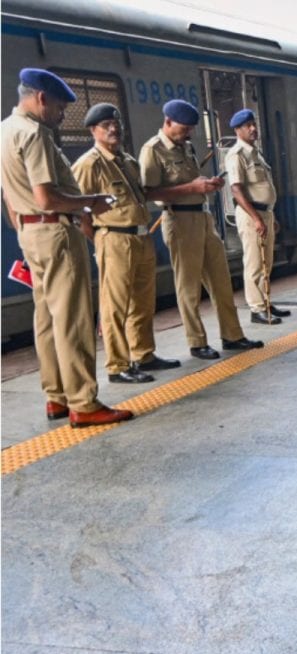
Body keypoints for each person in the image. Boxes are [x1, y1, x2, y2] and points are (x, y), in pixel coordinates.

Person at [1, 68, 133, 427]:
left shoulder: (4, 130)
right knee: (73, 319)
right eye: (60, 107)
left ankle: (56, 397)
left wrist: (25, 229)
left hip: (30, 234)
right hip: (56, 234)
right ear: (41, 98)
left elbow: (10, 198)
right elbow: (47, 197)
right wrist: (91, 202)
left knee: (45, 319)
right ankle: (83, 403)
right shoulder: (33, 134)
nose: (62, 115)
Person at [141, 99, 263, 360]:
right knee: (189, 286)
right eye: (184, 128)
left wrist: (207, 184)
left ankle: (233, 335)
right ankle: (197, 342)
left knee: (221, 280)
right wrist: (192, 189)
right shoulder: (153, 150)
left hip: (203, 218)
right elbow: (149, 192)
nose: (189, 134)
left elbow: (190, 181)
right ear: (168, 122)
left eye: (190, 129)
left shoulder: (186, 147)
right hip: (179, 221)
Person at [72, 102, 181, 384]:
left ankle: (143, 353)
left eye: (116, 123)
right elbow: (79, 212)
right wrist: (97, 239)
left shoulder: (128, 162)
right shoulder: (89, 165)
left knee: (143, 302)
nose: (113, 129)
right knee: (115, 306)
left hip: (141, 236)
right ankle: (117, 365)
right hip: (114, 238)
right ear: (93, 130)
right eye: (106, 125)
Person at [225, 108, 290, 326]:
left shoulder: (256, 153)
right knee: (254, 263)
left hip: (265, 212)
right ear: (237, 130)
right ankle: (256, 308)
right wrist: (256, 218)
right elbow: (236, 190)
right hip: (251, 214)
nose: (253, 129)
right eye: (247, 126)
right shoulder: (237, 155)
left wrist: (269, 215)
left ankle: (266, 302)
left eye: (254, 124)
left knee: (266, 262)